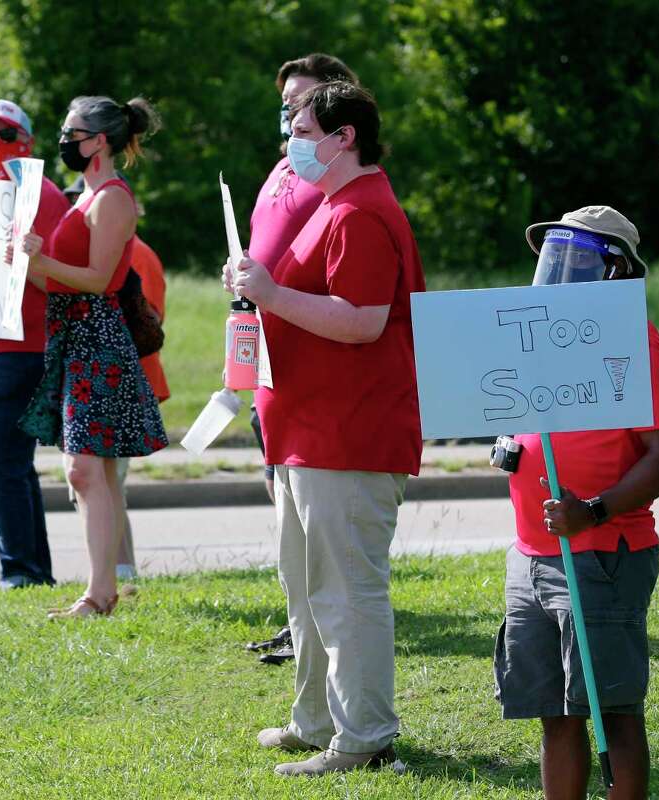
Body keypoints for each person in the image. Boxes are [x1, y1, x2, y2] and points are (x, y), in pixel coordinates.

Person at [231, 81, 424, 777]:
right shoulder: (336, 204)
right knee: (310, 591)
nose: (293, 138)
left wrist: (273, 293)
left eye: (306, 127)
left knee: (346, 594)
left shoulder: (363, 211)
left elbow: (364, 318)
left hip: (349, 435)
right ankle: (315, 722)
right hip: (309, 432)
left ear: (345, 137)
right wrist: (257, 284)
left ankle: (365, 739)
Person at [496, 206, 659, 800]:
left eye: (573, 259)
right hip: (531, 554)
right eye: (551, 256)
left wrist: (595, 509)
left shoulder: (639, 346)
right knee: (556, 711)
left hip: (602, 552)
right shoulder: (540, 343)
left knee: (611, 710)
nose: (556, 271)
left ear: (614, 272)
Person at [12, 96, 168, 618]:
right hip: (74, 335)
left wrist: (41, 259)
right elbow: (57, 278)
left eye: (72, 132)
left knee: (85, 469)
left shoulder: (114, 199)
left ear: (99, 140)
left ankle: (100, 593)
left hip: (98, 337)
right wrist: (23, 263)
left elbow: (100, 280)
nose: (65, 140)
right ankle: (102, 589)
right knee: (88, 470)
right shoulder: (87, 197)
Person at [237, 53, 359, 665]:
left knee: (322, 533)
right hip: (267, 350)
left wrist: (273, 291)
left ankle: (317, 641)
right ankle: (299, 626)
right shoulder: (283, 168)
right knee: (283, 503)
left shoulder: (340, 185)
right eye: (286, 105)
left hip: (315, 367)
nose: (290, 117)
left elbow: (357, 309)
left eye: (303, 106)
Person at [0, 99, 71, 589]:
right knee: (11, 467)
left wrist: (27, 259)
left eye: (6, 135)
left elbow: (66, 282)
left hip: (15, 350)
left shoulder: (40, 195)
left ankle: (20, 574)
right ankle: (33, 572)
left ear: (27, 141)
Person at [63, 176, 171, 585]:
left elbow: (150, 321)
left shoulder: (137, 254)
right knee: (92, 480)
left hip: (126, 380)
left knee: (107, 481)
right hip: (93, 380)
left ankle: (118, 570)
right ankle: (112, 569)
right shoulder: (85, 252)